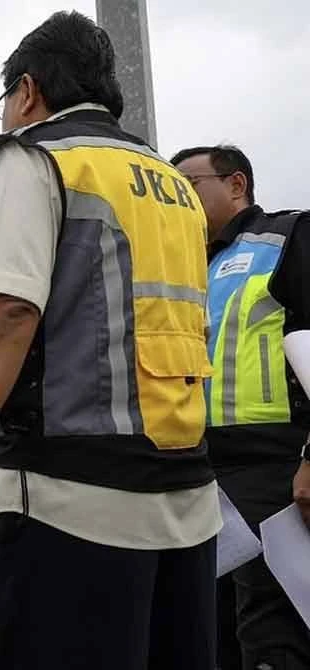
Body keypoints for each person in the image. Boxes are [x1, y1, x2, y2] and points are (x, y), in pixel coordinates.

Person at [0, 12, 222, 670]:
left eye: (5, 102)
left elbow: (4, 316)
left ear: (27, 92)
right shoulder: (173, 184)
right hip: (189, 505)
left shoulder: (34, 158)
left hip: (70, 507)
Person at [172, 144, 310, 670]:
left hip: (276, 467)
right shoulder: (186, 267)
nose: (179, 197)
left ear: (236, 185)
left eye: (189, 183)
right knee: (210, 630)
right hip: (201, 471)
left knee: (272, 633)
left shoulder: (289, 235)